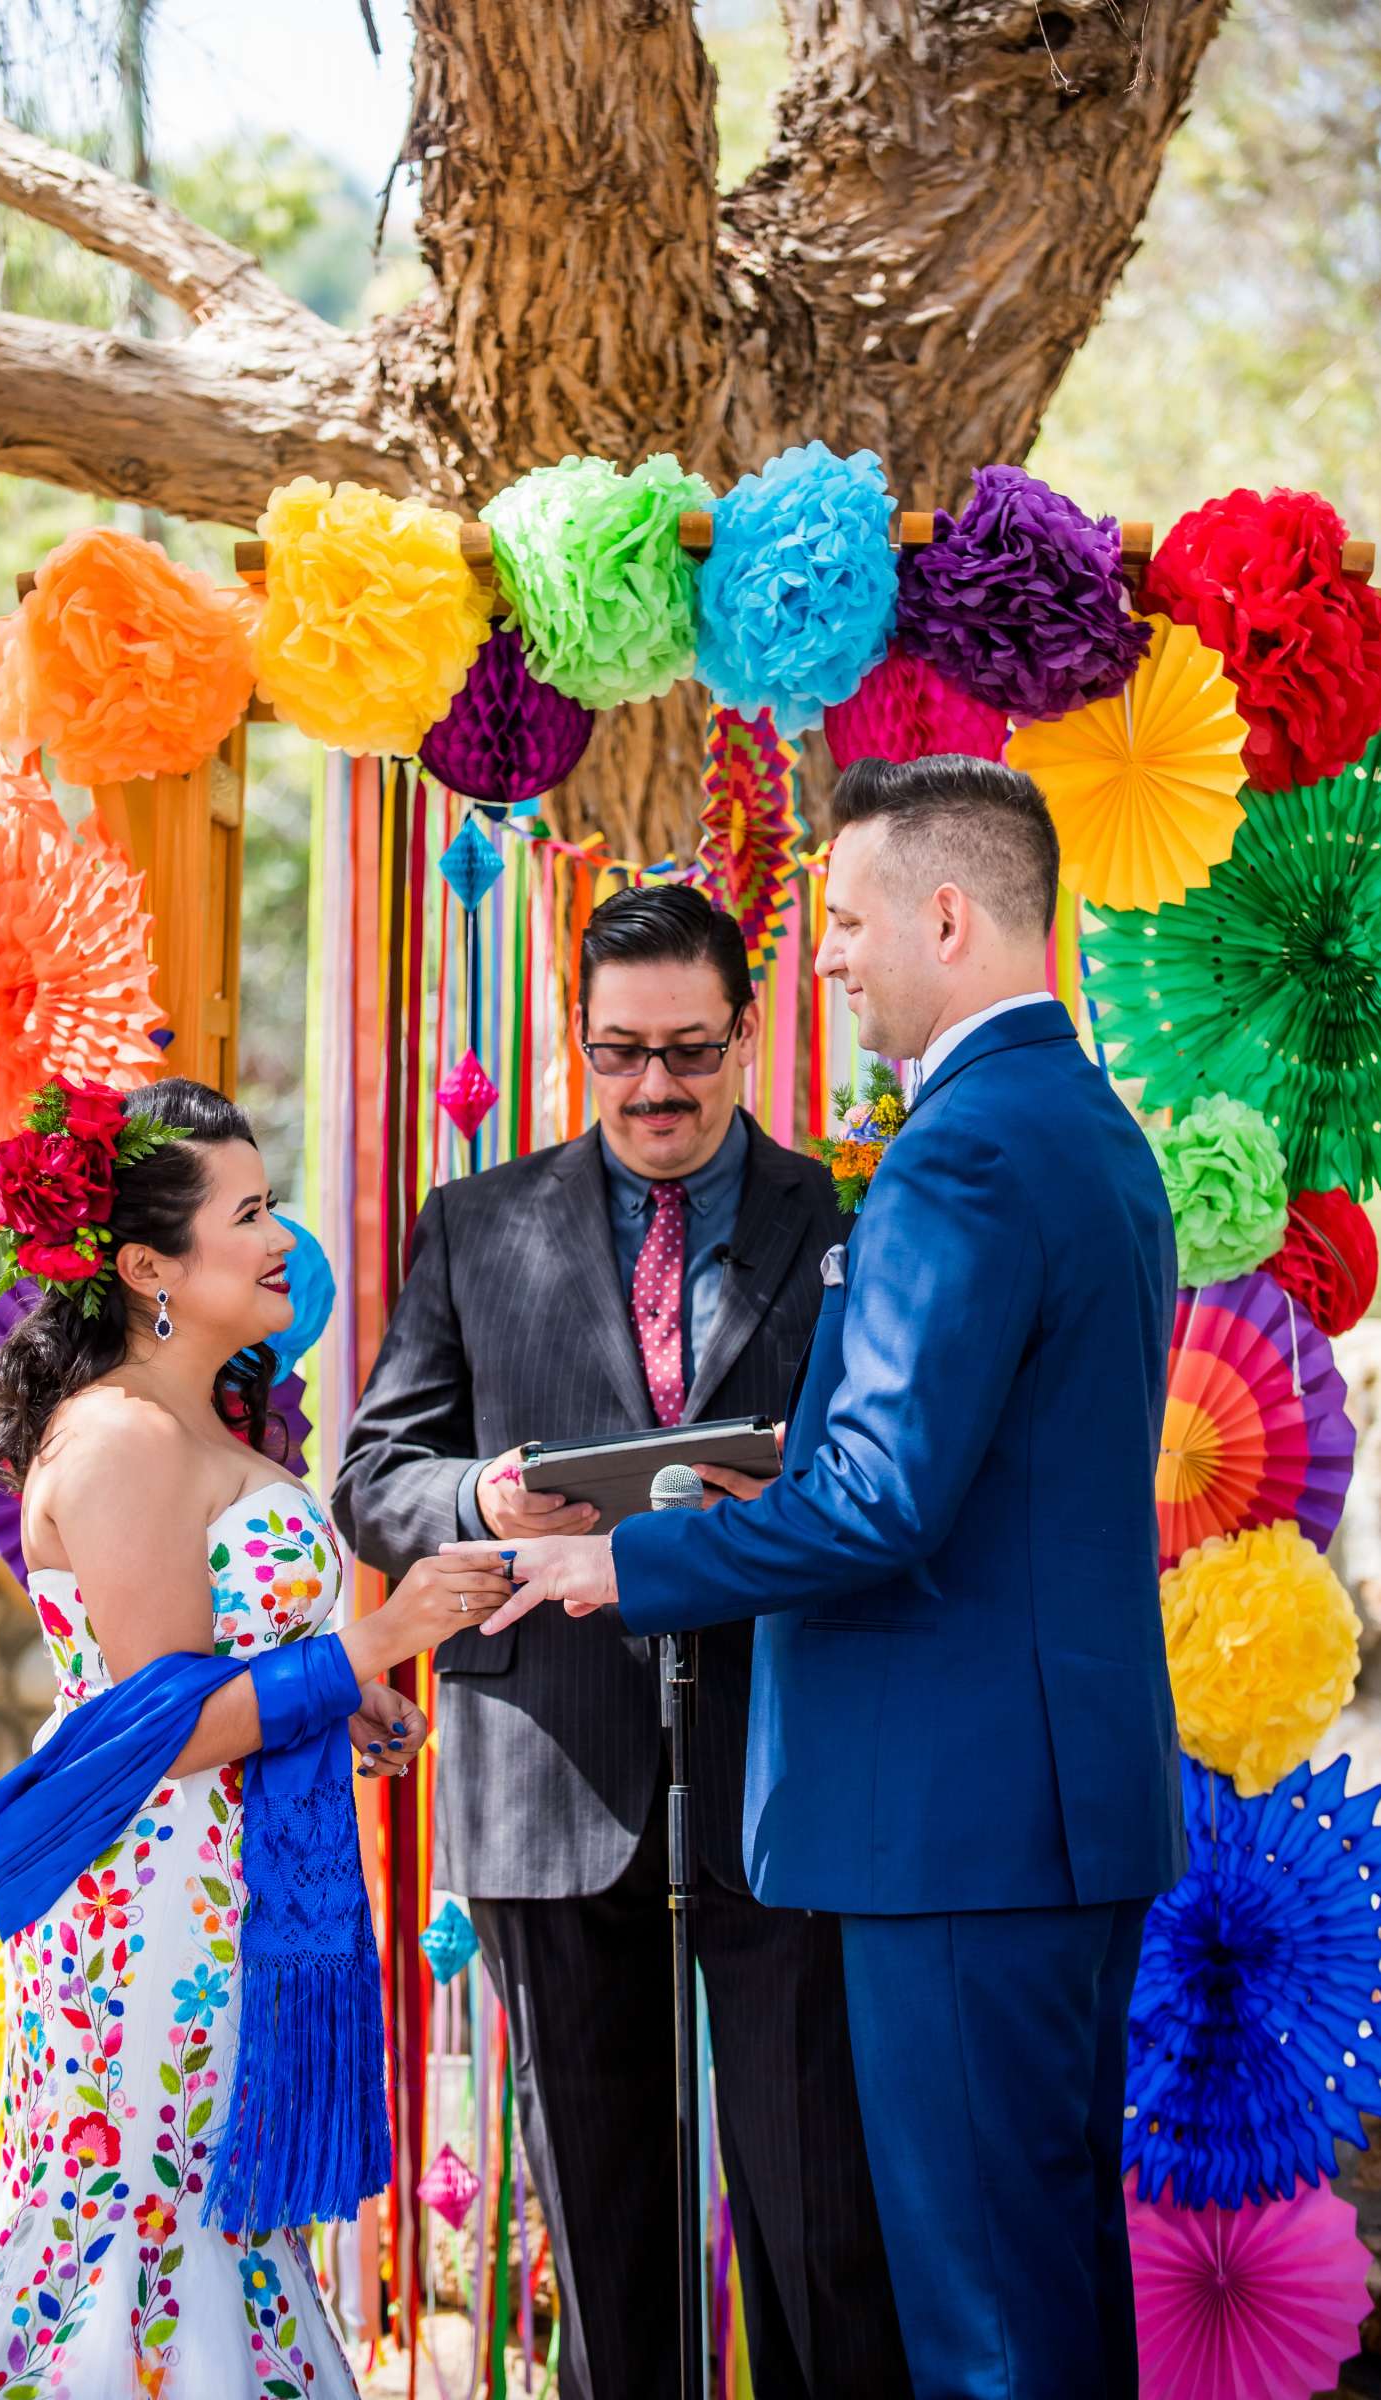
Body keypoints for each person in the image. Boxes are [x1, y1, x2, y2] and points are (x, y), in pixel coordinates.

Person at [448, 758, 1188, 2400]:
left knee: (983, 2327)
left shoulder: (962, 1152)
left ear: (945, 914)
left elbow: (879, 1508)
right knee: (1046, 2281)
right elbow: (977, 1466)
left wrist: (617, 1560)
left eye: (845, 921)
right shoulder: (1081, 1124)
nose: (829, 956)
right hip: (1039, 1810)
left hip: (956, 1825)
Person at [0, 1077, 513, 2400]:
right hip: (145, 1915)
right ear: (148, 1266)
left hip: (220, 1889)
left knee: (213, 2228)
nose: (276, 1241)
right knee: (128, 2226)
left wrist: (340, 1703)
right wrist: (371, 1641)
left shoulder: (203, 1422)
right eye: (246, 1215)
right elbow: (163, 1720)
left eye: (270, 1205)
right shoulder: (125, 1439)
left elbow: (230, 1674)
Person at [335, 885, 908, 2400]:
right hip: (545, 1767)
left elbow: (889, 1468)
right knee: (594, 2225)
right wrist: (485, 1492)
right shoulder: (475, 1223)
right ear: (575, 1039)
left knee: (819, 2219)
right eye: (619, 1053)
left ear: (746, 1029)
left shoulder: (844, 1215)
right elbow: (374, 1477)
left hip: (788, 1762)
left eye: (689, 1052)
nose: (655, 1087)